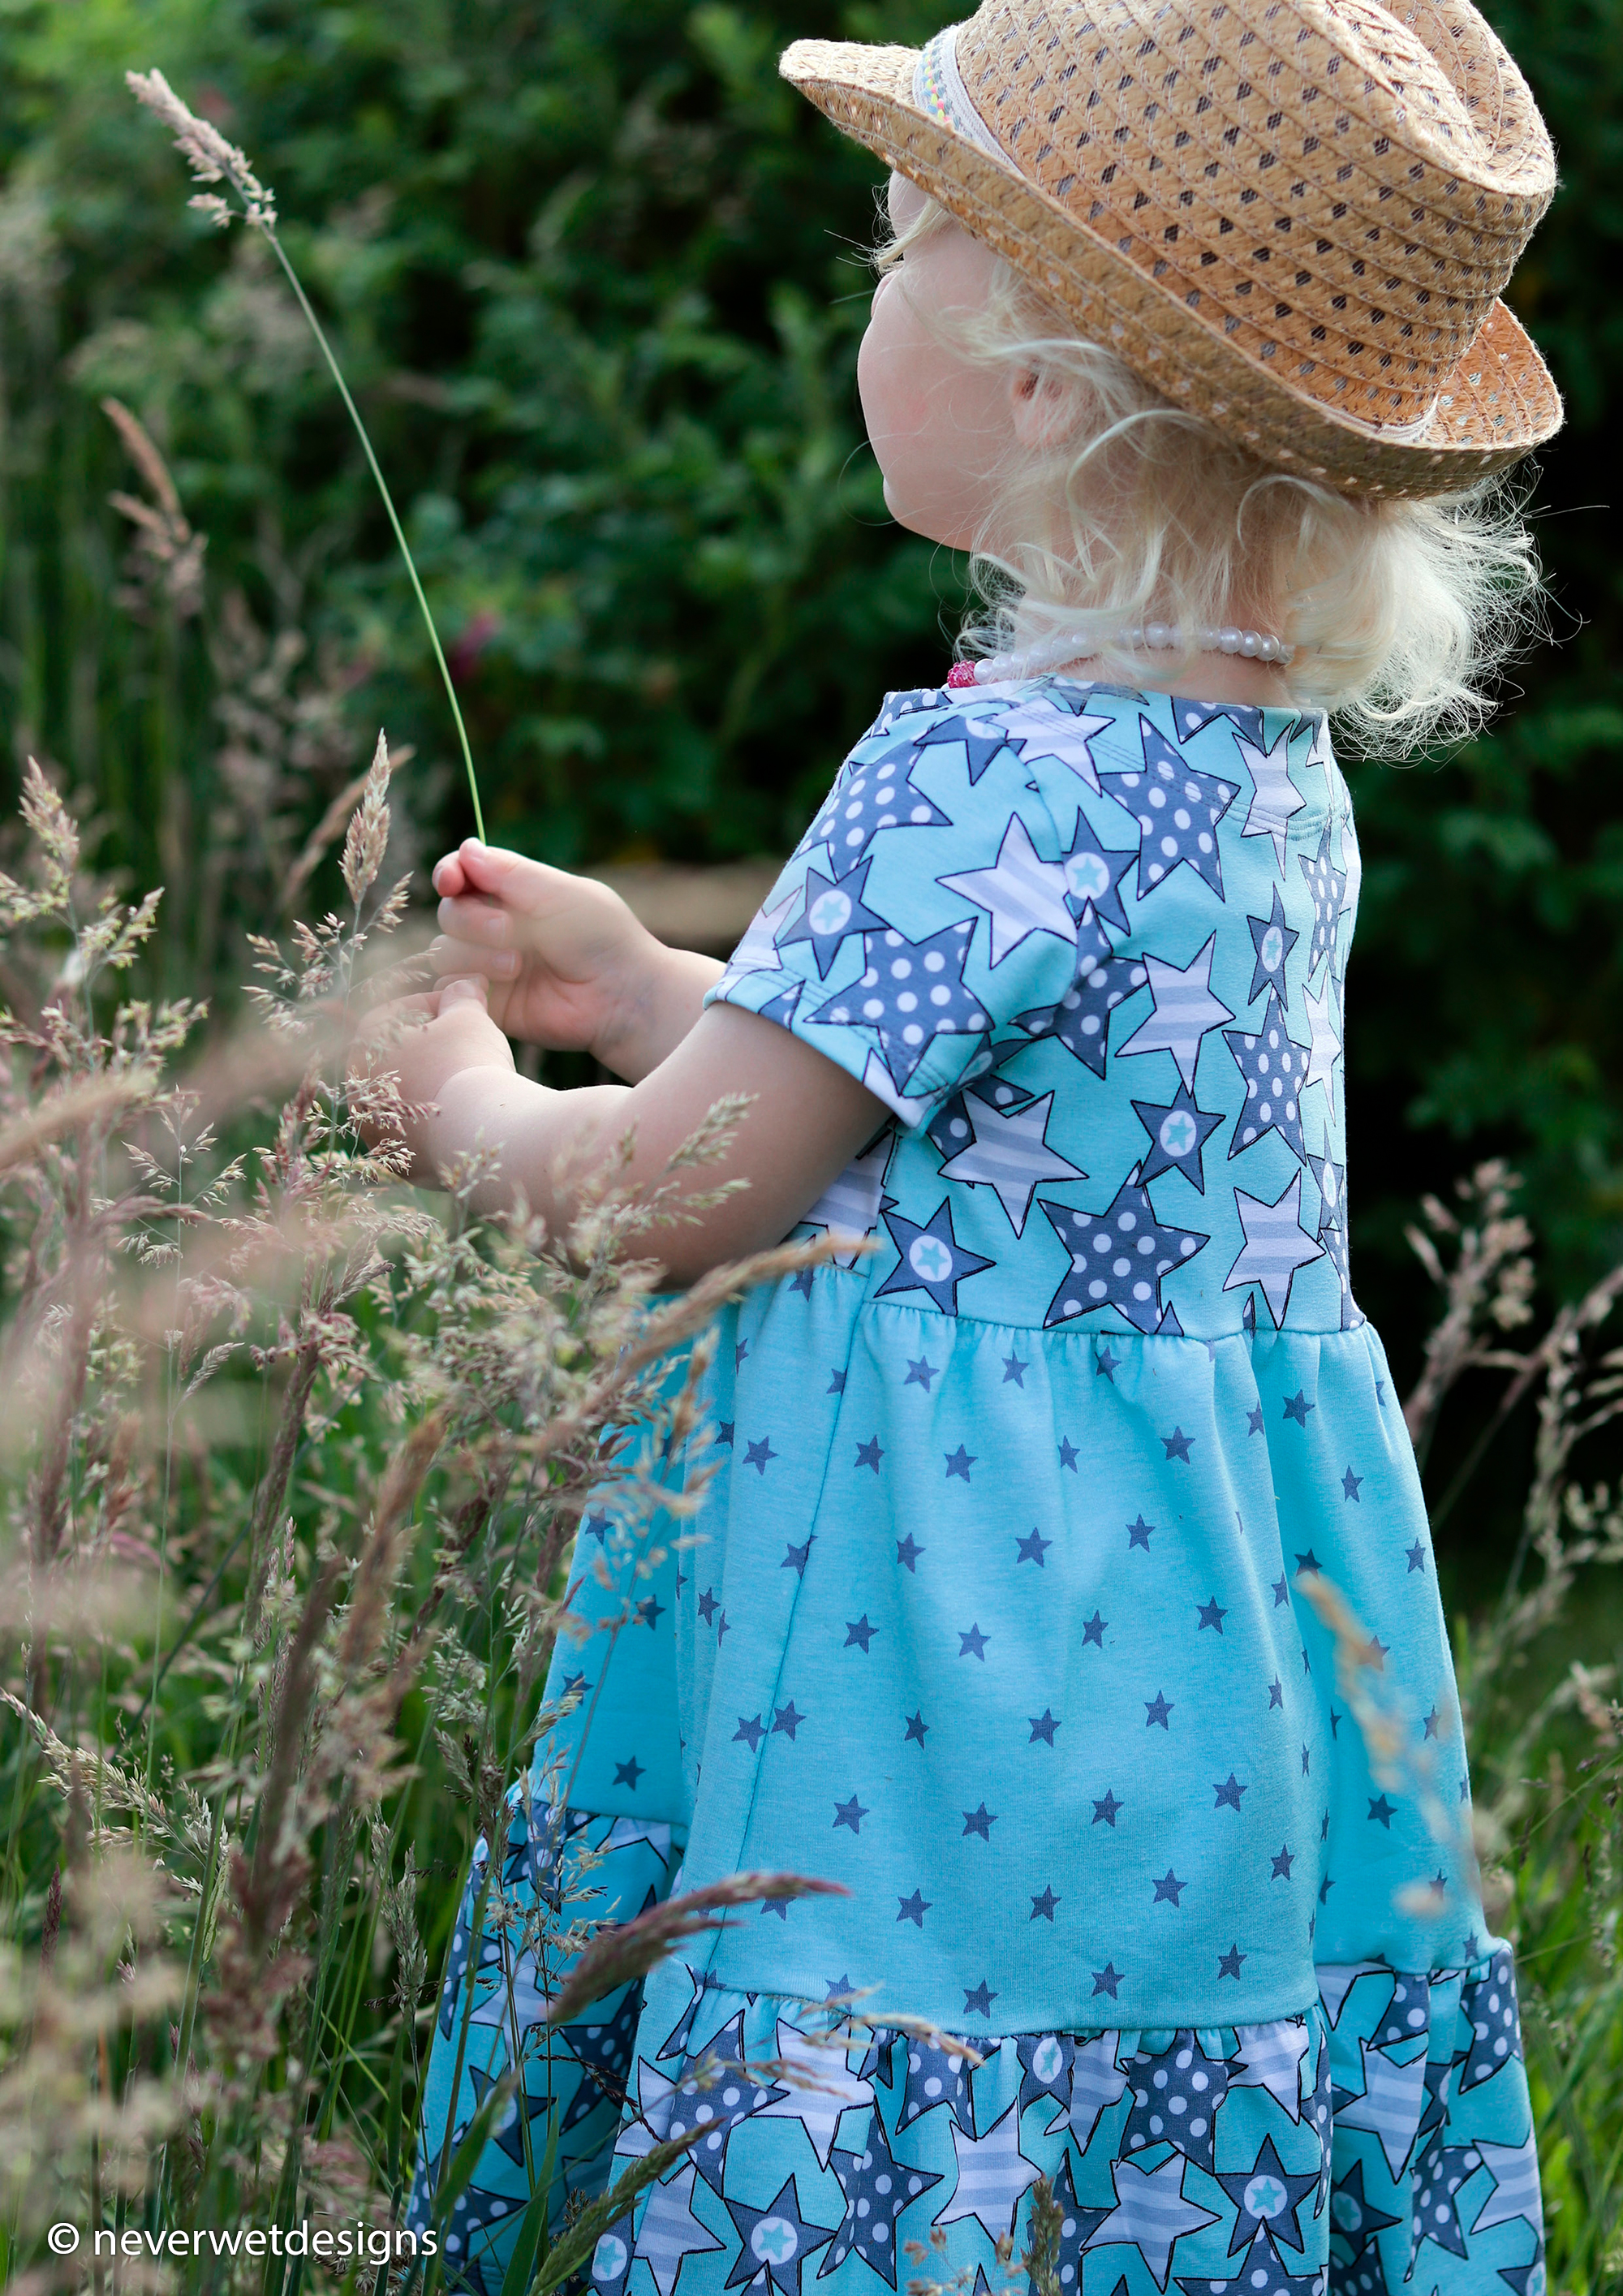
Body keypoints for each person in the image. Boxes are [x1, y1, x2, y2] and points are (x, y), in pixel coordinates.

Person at [383, 2, 1561, 2286]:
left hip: (932, 1659)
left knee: (894, 2041)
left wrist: (463, 1105)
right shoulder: (1255, 777)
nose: (871, 291)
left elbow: (681, 1194)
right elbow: (1009, 1149)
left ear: (1044, 383)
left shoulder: (977, 782)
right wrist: (656, 993)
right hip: (1194, 1648)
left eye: (902, 243)